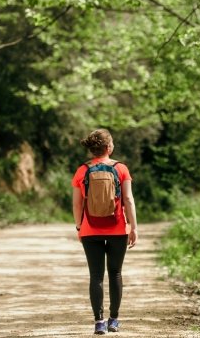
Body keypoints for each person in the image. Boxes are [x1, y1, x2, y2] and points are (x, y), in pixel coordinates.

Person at [72, 129, 138, 335]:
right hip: (117, 228)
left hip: (90, 229)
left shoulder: (82, 171)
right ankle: (114, 320)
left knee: (96, 276)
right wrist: (133, 227)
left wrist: (79, 226)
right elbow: (128, 200)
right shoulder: (121, 169)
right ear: (109, 147)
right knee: (116, 273)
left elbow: (77, 203)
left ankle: (99, 322)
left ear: (92, 149)